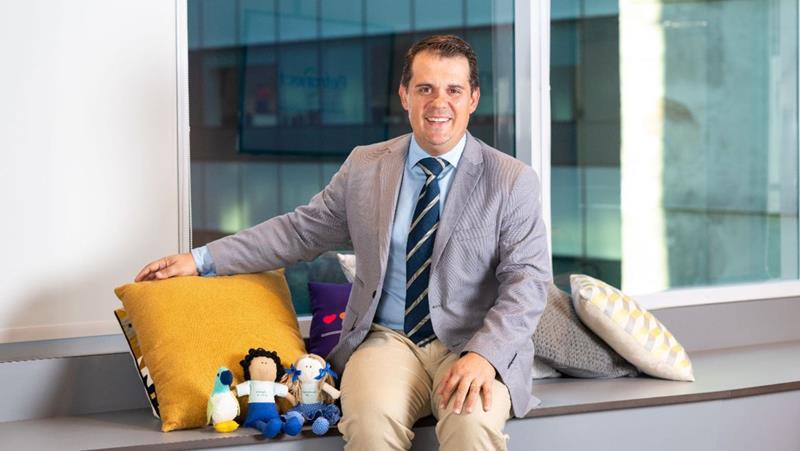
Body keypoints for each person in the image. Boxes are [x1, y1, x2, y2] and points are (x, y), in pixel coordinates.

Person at [135, 34, 551, 450]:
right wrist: (202, 259)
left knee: (471, 427)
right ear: (404, 95)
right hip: (387, 341)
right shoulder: (366, 167)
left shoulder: (511, 180)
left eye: (453, 90)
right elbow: (299, 231)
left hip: (472, 344)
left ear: (473, 98)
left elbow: (528, 282)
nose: (438, 103)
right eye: (425, 88)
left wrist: (485, 354)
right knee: (369, 426)